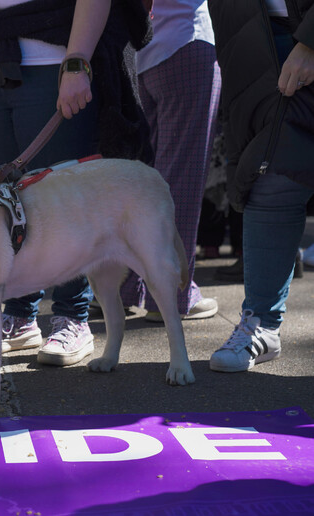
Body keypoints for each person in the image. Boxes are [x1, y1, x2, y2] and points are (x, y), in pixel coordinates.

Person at [0, 0, 152, 366]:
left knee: (60, 199)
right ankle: (20, 313)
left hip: (54, 57)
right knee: (0, 198)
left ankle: (73, 316)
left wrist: (76, 61)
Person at [207, 0, 314, 372]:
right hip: (255, 43)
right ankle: (262, 325)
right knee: (269, 181)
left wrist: (310, 41)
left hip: (300, 38)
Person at [118, 0, 221, 323]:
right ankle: (172, 290)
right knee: (180, 178)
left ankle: (128, 285)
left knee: (140, 178)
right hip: (184, 43)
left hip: (138, 54)